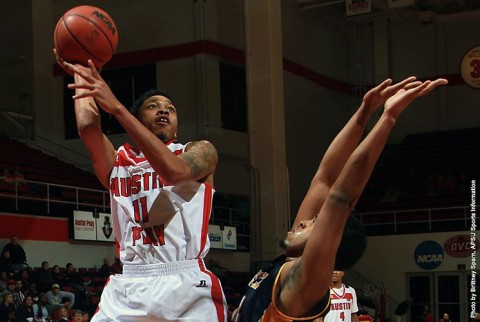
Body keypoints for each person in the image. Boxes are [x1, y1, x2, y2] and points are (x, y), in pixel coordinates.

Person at [232, 76, 448, 321]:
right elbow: (324, 179)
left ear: (329, 240)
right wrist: (364, 112)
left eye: (314, 223)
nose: (302, 223)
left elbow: (340, 197)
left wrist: (388, 119)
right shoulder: (289, 264)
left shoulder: (306, 282)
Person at [55, 53, 227, 321]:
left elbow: (176, 173)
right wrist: (81, 69)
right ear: (137, 120)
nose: (163, 111)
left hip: (184, 281)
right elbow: (88, 126)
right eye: (153, 106)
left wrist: (116, 108)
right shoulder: (119, 162)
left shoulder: (199, 151)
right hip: (130, 284)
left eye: (170, 108)